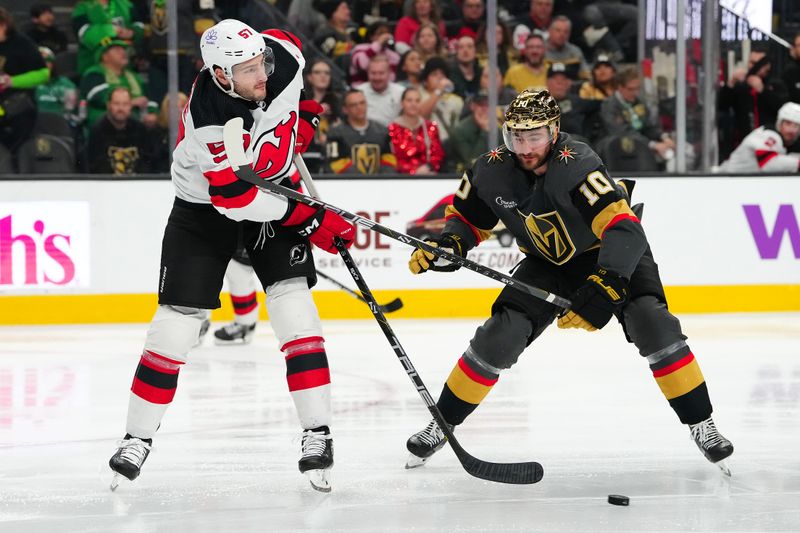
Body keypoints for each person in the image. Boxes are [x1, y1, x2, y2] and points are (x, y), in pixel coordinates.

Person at [403, 89, 734, 475]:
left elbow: (622, 228)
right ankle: (441, 424)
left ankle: (702, 423)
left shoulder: (577, 163)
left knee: (652, 322)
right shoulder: (490, 168)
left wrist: (606, 282)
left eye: (535, 136)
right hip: (549, 262)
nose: (525, 148)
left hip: (609, 253)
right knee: (500, 335)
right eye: (517, 136)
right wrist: (449, 245)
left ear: (555, 130)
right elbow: (467, 220)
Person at [107, 20, 356, 494]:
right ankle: (137, 437)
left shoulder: (279, 55)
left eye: (260, 61)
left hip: (275, 187)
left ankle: (317, 433)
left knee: (294, 305)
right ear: (220, 74)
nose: (261, 75)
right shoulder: (209, 117)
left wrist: (304, 116)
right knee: (175, 324)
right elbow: (235, 199)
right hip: (206, 209)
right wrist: (308, 218)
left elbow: (293, 52)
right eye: (246, 70)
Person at [600, 66, 675, 163]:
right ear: (620, 87)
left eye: (638, 89)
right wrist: (653, 145)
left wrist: (664, 137)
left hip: (641, 146)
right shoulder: (609, 105)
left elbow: (648, 127)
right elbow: (621, 132)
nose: (635, 93)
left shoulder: (639, 102)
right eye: (631, 89)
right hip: (616, 151)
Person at [0, 8, 49, 155]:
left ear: (4, 25)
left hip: (18, 105)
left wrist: (12, 81)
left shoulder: (22, 43)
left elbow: (43, 74)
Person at [79, 39, 157, 129]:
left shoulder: (134, 76)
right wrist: (128, 104)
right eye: (117, 50)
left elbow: (150, 99)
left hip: (136, 124)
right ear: (105, 56)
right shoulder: (94, 74)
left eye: (123, 49)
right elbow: (98, 97)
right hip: (104, 127)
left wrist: (152, 113)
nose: (123, 53)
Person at [326, 89, 396, 174]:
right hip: (348, 183)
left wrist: (380, 179)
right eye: (353, 105)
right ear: (345, 109)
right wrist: (360, 179)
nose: (359, 107)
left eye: (362, 103)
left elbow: (390, 160)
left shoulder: (383, 131)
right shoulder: (335, 133)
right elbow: (335, 163)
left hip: (379, 183)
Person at [87, 86, 154, 174]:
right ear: (109, 105)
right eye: (116, 103)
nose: (120, 108)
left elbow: (147, 162)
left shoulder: (140, 129)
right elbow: (93, 165)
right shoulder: (98, 130)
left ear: (130, 106)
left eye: (125, 104)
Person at [718, 102, 800, 173]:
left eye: (796, 126)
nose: (792, 130)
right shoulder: (768, 135)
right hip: (723, 184)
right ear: (779, 123)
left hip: (737, 184)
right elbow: (769, 164)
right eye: (788, 123)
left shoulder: (781, 141)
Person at [71, 0, 145, 75]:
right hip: (94, 69)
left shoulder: (125, 4)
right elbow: (83, 33)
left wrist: (133, 33)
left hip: (126, 68)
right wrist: (110, 31)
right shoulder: (82, 8)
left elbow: (140, 25)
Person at [388, 87, 444, 174]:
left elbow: (438, 155)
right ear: (402, 103)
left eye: (417, 101)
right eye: (409, 100)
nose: (413, 104)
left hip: (429, 176)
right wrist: (414, 171)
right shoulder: (392, 129)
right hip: (401, 179)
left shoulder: (430, 127)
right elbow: (391, 159)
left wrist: (429, 167)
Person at [418, 57, 464, 143]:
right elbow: (421, 115)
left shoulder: (456, 100)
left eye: (442, 74)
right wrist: (438, 91)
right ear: (425, 81)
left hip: (451, 145)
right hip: (429, 145)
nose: (439, 77)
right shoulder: (419, 96)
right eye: (434, 74)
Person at [358, 54, 405, 127]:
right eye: (373, 73)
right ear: (367, 73)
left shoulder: (401, 92)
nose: (377, 78)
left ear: (389, 73)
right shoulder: (358, 92)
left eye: (381, 73)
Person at [349, 21, 401, 85]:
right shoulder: (359, 48)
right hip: (360, 89)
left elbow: (392, 78)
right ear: (371, 36)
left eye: (387, 33)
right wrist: (378, 44)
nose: (385, 37)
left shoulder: (393, 55)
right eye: (380, 33)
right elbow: (362, 65)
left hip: (384, 91)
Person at [544, 16, 590, 81]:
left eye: (566, 32)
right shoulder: (540, 50)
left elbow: (587, 76)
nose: (562, 35)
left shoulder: (575, 51)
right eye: (558, 30)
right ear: (549, 31)